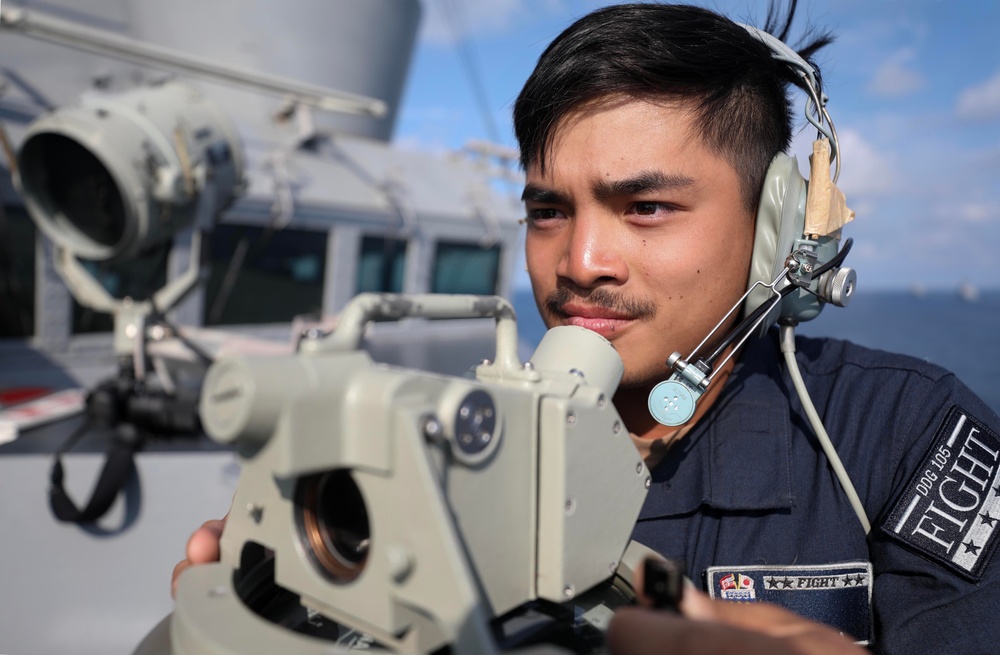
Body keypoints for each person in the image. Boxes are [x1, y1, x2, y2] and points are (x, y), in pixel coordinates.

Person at [175, 2, 1000, 653]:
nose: (581, 259)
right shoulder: (443, 451)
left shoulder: (903, 437)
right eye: (548, 209)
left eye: (645, 206)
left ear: (775, 229)